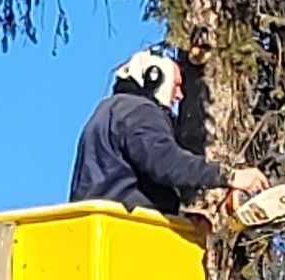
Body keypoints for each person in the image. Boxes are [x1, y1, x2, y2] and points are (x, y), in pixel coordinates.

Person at [71, 50, 270, 220]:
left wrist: (179, 220)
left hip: (105, 228)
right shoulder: (140, 112)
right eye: (176, 85)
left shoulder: (110, 111)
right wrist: (230, 176)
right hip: (125, 232)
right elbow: (167, 163)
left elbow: (139, 180)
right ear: (154, 78)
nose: (179, 96)